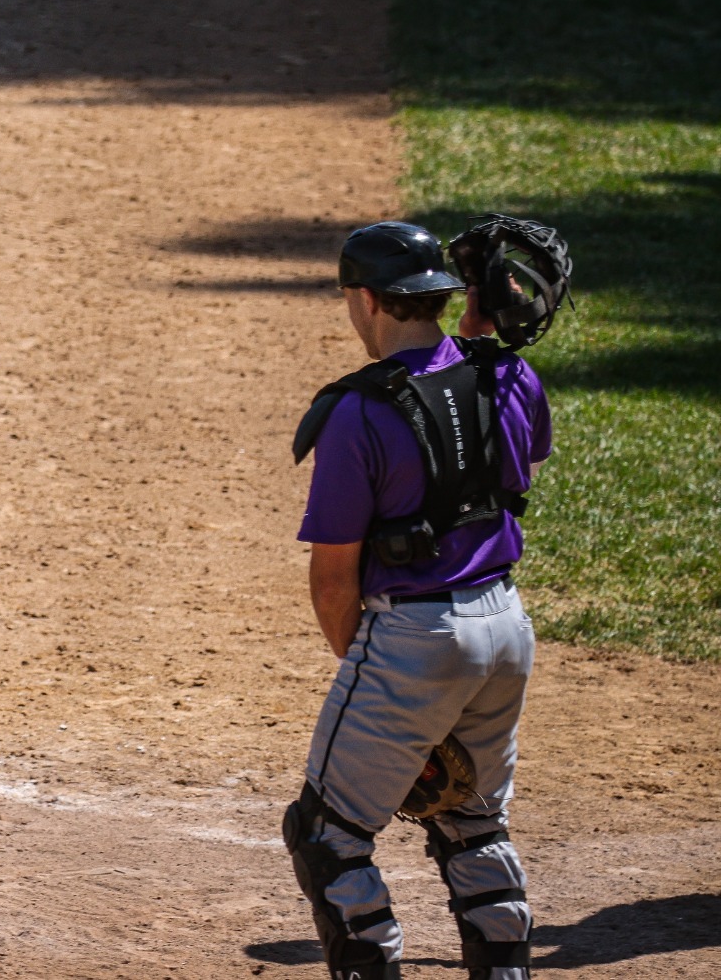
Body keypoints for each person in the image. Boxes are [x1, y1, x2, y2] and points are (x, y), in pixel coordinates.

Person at [284, 222, 552, 980]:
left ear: (368, 300)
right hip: (506, 629)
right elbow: (509, 457)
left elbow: (334, 580)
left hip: (416, 641)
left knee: (327, 834)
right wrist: (475, 337)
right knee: (474, 823)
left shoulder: (357, 412)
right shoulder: (510, 376)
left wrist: (390, 687)